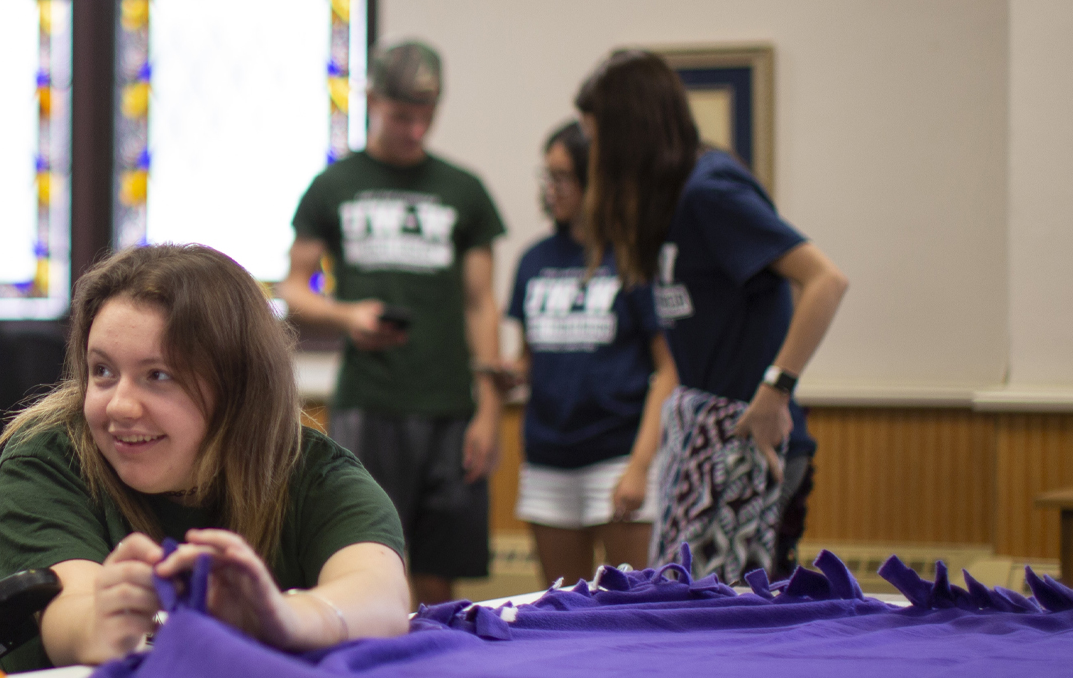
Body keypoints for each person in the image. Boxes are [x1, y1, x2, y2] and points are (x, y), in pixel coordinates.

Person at [0, 244, 411, 671]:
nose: (120, 407)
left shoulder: (314, 472)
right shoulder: (48, 458)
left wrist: (284, 618)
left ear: (240, 388)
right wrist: (106, 622)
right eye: (103, 371)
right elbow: (70, 611)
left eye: (159, 376)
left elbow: (382, 596)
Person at [572, 49, 849, 582]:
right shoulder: (669, 203)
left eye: (598, 138)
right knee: (683, 609)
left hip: (753, 441)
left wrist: (776, 389)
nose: (596, 158)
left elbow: (825, 282)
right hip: (702, 441)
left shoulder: (710, 191)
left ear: (630, 133)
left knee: (733, 621)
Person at [278, 40, 508, 605]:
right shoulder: (335, 185)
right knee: (367, 553)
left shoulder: (463, 190)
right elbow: (290, 289)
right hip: (369, 402)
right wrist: (347, 314)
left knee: (438, 572)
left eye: (427, 115)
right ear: (373, 99)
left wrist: (491, 406)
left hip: (449, 403)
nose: (415, 129)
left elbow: (482, 303)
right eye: (403, 114)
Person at [505, 121, 676, 585]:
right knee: (563, 611)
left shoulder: (630, 258)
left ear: (594, 182)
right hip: (547, 460)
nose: (551, 189)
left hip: (617, 458)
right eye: (547, 176)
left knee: (635, 607)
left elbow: (669, 369)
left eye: (562, 177)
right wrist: (509, 375)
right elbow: (529, 359)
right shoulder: (533, 260)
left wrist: (639, 467)